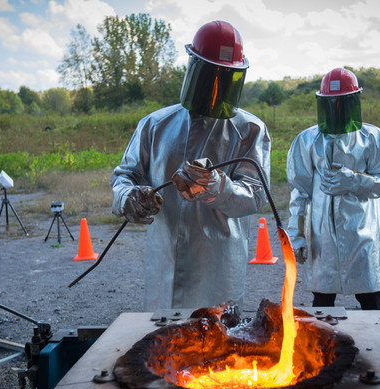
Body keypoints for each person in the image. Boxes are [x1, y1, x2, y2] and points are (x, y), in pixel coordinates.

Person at [110, 21, 271, 311]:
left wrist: (215, 185)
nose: (214, 88)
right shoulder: (156, 125)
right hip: (164, 267)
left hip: (219, 271)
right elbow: (125, 176)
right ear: (193, 69)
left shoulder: (249, 130)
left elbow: (254, 196)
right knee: (162, 348)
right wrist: (129, 197)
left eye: (225, 79)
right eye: (209, 76)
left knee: (219, 346)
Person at [286, 68, 380, 311]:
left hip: (361, 232)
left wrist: (355, 180)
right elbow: (299, 191)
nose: (336, 109)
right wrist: (296, 235)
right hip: (322, 236)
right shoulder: (307, 140)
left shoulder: (374, 139)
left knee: (370, 299)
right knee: (323, 302)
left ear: (354, 102)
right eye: (331, 104)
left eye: (342, 103)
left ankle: (379, 345)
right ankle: (322, 349)